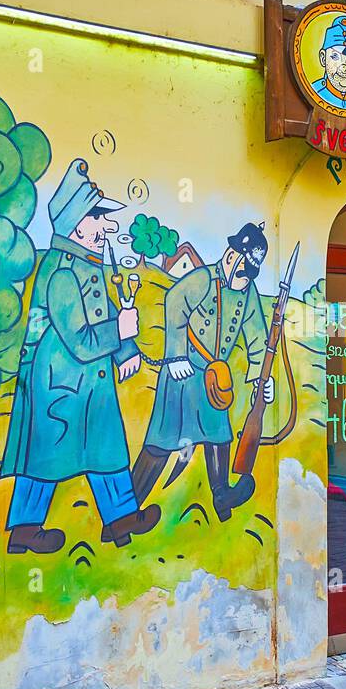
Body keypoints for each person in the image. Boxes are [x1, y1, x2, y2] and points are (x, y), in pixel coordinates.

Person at [0, 160, 160, 553]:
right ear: (76, 223)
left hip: (91, 383)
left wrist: (126, 348)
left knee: (105, 446)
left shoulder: (88, 266)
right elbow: (80, 340)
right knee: (45, 456)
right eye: (98, 216)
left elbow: (105, 312)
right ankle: (24, 531)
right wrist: (119, 333)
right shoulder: (61, 273)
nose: (106, 225)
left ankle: (120, 518)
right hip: (59, 384)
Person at [130, 223, 274, 522]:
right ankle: (128, 509)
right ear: (233, 257)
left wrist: (264, 380)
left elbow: (257, 335)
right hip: (184, 371)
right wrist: (176, 354)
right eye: (244, 270)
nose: (245, 279)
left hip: (213, 378)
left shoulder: (247, 292)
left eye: (251, 274)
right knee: (163, 440)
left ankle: (222, 497)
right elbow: (174, 302)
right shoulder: (203, 279)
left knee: (218, 435)